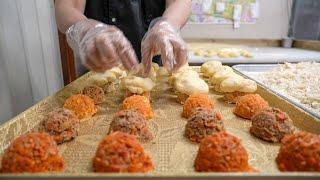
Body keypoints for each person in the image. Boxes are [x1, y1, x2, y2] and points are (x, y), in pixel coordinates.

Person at [55, 0, 191, 76]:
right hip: (98, 66)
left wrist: (167, 24)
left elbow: (179, 2)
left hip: (158, 65)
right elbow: (66, 7)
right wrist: (86, 29)